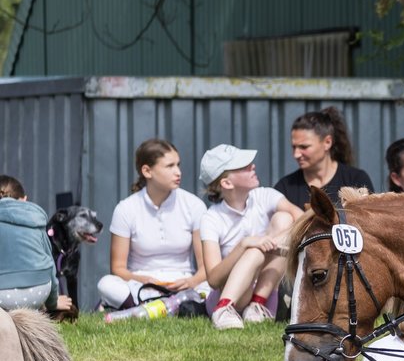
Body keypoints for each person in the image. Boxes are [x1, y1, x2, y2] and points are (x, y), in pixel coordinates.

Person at [199, 144, 302, 330]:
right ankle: (223, 309)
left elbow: (301, 218)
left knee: (285, 218)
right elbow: (213, 279)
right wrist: (244, 245)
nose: (252, 166)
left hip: (265, 292)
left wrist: (270, 241)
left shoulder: (265, 195)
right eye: (243, 166)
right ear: (227, 183)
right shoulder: (211, 218)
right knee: (254, 251)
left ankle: (257, 306)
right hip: (228, 294)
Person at [97, 139, 208, 310]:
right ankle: (156, 307)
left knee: (212, 286)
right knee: (106, 284)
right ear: (147, 171)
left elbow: (205, 267)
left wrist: (190, 281)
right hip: (141, 285)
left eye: (178, 165)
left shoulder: (194, 205)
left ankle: (148, 309)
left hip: (183, 284)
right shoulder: (126, 208)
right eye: (169, 166)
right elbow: (118, 268)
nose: (178, 172)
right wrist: (144, 281)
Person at [275, 107, 374, 211]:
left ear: (327, 142)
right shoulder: (285, 188)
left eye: (304, 147)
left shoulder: (356, 180)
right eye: (294, 147)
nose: (296, 154)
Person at [0, 176, 73, 314]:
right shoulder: (35, 221)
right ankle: (32, 314)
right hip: (38, 292)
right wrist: (53, 302)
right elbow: (49, 265)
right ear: (24, 200)